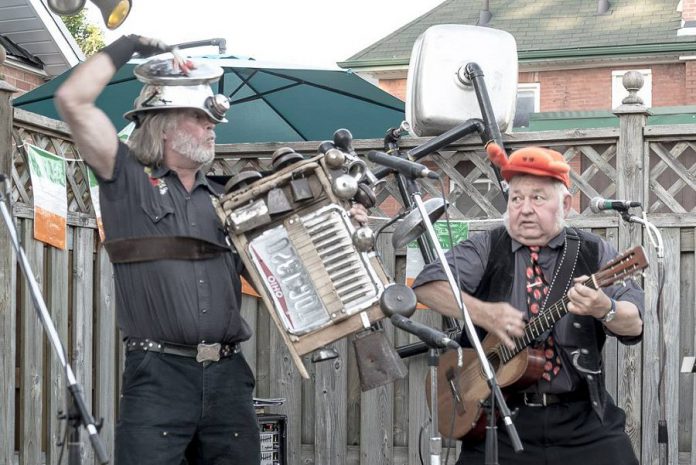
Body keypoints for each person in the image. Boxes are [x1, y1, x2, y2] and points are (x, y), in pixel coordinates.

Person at [55, 35, 368, 465]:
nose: (212, 127)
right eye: (199, 118)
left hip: (227, 378)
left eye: (211, 120)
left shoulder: (230, 201)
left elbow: (297, 270)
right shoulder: (126, 179)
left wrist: (341, 231)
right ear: (162, 124)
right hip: (158, 377)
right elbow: (72, 99)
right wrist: (130, 45)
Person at [412, 143, 644, 465]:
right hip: (497, 416)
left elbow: (634, 322)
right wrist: (483, 313)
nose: (524, 208)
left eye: (537, 197)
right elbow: (426, 286)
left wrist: (604, 308)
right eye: (516, 198)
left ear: (565, 203)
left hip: (582, 418)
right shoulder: (487, 247)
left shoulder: (594, 251)